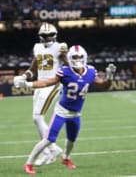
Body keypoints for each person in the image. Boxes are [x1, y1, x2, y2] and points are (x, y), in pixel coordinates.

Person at [14, 45, 116, 174]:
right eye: (74, 57)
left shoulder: (91, 71)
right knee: (49, 139)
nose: (78, 59)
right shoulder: (65, 71)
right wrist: (28, 84)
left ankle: (66, 158)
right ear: (69, 58)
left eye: (80, 57)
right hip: (61, 111)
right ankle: (28, 163)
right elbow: (47, 82)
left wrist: (110, 76)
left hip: (76, 113)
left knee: (72, 139)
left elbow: (104, 85)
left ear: (85, 58)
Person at [13, 22, 67, 166]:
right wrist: (25, 76)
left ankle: (50, 149)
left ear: (55, 35)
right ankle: (49, 149)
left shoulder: (60, 47)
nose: (48, 38)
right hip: (39, 84)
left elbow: (67, 66)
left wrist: (65, 56)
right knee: (36, 118)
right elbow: (35, 66)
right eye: (45, 35)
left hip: (53, 84)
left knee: (38, 117)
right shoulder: (37, 47)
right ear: (40, 36)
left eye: (50, 35)